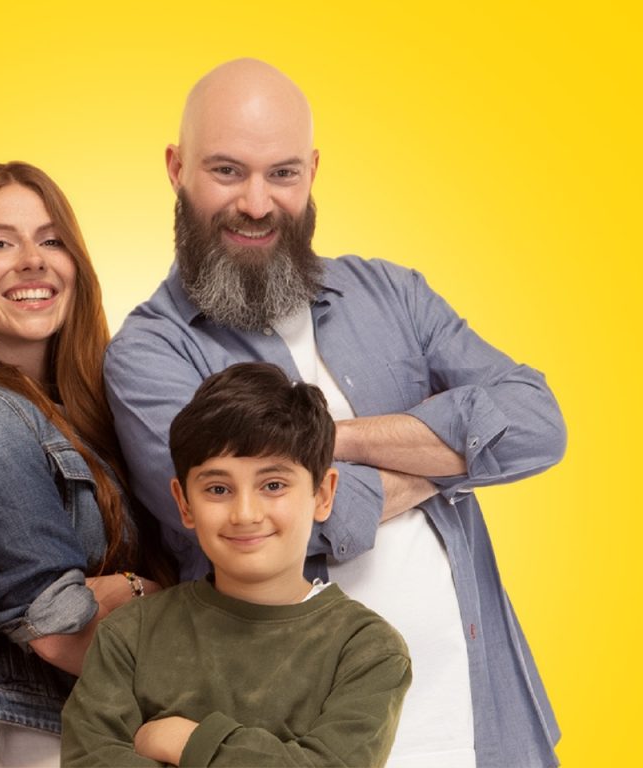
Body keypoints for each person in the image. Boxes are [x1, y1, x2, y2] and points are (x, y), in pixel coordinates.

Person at [104, 58, 567, 768]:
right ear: (176, 168)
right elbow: (262, 522)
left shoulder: (392, 294)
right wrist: (452, 457)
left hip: (488, 730)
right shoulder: (149, 353)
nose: (257, 202)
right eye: (227, 171)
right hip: (295, 747)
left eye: (282, 173)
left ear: (312, 171)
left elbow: (536, 423)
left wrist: (330, 442)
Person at [0, 162, 168, 768]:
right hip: (37, 738)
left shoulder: (96, 415)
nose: (33, 259)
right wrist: (149, 594)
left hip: (113, 735)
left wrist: (137, 599)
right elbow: (62, 633)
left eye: (51, 240)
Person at [62, 362, 412, 767]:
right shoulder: (129, 635)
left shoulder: (368, 650)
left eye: (273, 485)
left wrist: (189, 741)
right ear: (184, 503)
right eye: (218, 488)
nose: (245, 513)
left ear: (322, 494)